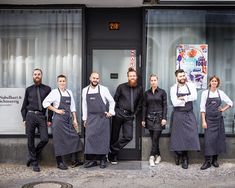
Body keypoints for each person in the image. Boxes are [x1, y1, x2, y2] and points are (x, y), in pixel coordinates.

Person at [42, 74, 82, 170]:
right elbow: (45, 103)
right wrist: (56, 110)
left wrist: (75, 120)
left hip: (68, 120)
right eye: (60, 81)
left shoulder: (69, 92)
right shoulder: (54, 92)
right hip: (58, 121)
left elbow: (72, 107)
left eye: (64, 81)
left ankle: (74, 160)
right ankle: (59, 163)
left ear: (66, 82)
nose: (62, 83)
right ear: (57, 82)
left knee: (75, 138)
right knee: (59, 141)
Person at [108, 67, 143, 164]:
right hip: (119, 114)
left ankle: (112, 149)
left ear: (136, 77)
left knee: (128, 136)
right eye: (131, 76)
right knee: (115, 136)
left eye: (134, 76)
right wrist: (114, 112)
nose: (132, 77)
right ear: (128, 77)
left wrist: (134, 114)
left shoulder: (139, 88)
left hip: (129, 116)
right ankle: (113, 157)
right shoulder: (121, 87)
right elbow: (114, 100)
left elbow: (140, 104)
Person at [21, 68, 52, 172]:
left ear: (41, 76)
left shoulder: (47, 89)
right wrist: (24, 118)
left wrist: (49, 119)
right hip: (30, 116)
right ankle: (34, 162)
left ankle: (32, 155)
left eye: (39, 74)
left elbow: (50, 105)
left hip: (41, 116)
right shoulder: (28, 89)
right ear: (33, 76)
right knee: (30, 140)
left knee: (45, 139)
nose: (37, 76)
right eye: (35, 74)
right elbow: (24, 105)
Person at [82, 72, 115, 169]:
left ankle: (102, 160)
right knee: (90, 138)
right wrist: (85, 119)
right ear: (90, 78)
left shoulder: (104, 89)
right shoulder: (85, 90)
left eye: (97, 78)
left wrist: (111, 112)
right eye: (94, 78)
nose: (95, 80)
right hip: (91, 118)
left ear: (99, 80)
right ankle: (92, 161)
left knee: (102, 138)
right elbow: (84, 105)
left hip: (102, 117)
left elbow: (112, 101)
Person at [200, 75, 233, 170]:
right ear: (210, 82)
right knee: (208, 140)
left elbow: (230, 103)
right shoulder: (205, 93)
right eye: (212, 81)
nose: (214, 82)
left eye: (216, 81)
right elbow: (202, 108)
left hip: (218, 119)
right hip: (208, 120)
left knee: (217, 140)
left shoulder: (221, 93)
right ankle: (207, 161)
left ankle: (215, 160)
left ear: (218, 83)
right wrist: (203, 121)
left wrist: (223, 109)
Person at [170, 69, 200, 169]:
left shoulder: (191, 85)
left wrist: (183, 98)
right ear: (176, 77)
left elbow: (195, 97)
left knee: (189, 135)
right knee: (178, 136)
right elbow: (175, 102)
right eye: (180, 76)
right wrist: (187, 98)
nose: (182, 78)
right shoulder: (173, 88)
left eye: (183, 76)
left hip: (189, 113)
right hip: (178, 114)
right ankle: (180, 154)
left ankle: (184, 156)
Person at [142, 74, 167, 167]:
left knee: (156, 137)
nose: (153, 82)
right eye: (151, 80)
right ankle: (159, 156)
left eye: (155, 80)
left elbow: (165, 106)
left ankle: (151, 157)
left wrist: (164, 118)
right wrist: (143, 119)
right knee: (154, 139)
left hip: (159, 119)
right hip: (149, 118)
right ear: (150, 82)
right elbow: (144, 106)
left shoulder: (162, 92)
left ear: (157, 81)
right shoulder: (146, 93)